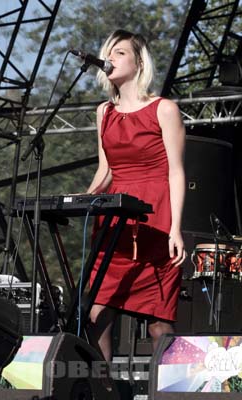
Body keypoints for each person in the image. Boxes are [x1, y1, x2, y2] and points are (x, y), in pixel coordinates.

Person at [86, 29, 186, 362]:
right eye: (108, 54)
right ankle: (105, 392)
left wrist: (176, 229)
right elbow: (106, 172)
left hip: (155, 217)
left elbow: (176, 171)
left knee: (159, 321)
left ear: (139, 62)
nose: (110, 59)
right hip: (114, 221)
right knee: (97, 314)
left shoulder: (164, 109)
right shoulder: (104, 113)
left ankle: (171, 393)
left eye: (120, 53)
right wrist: (79, 201)